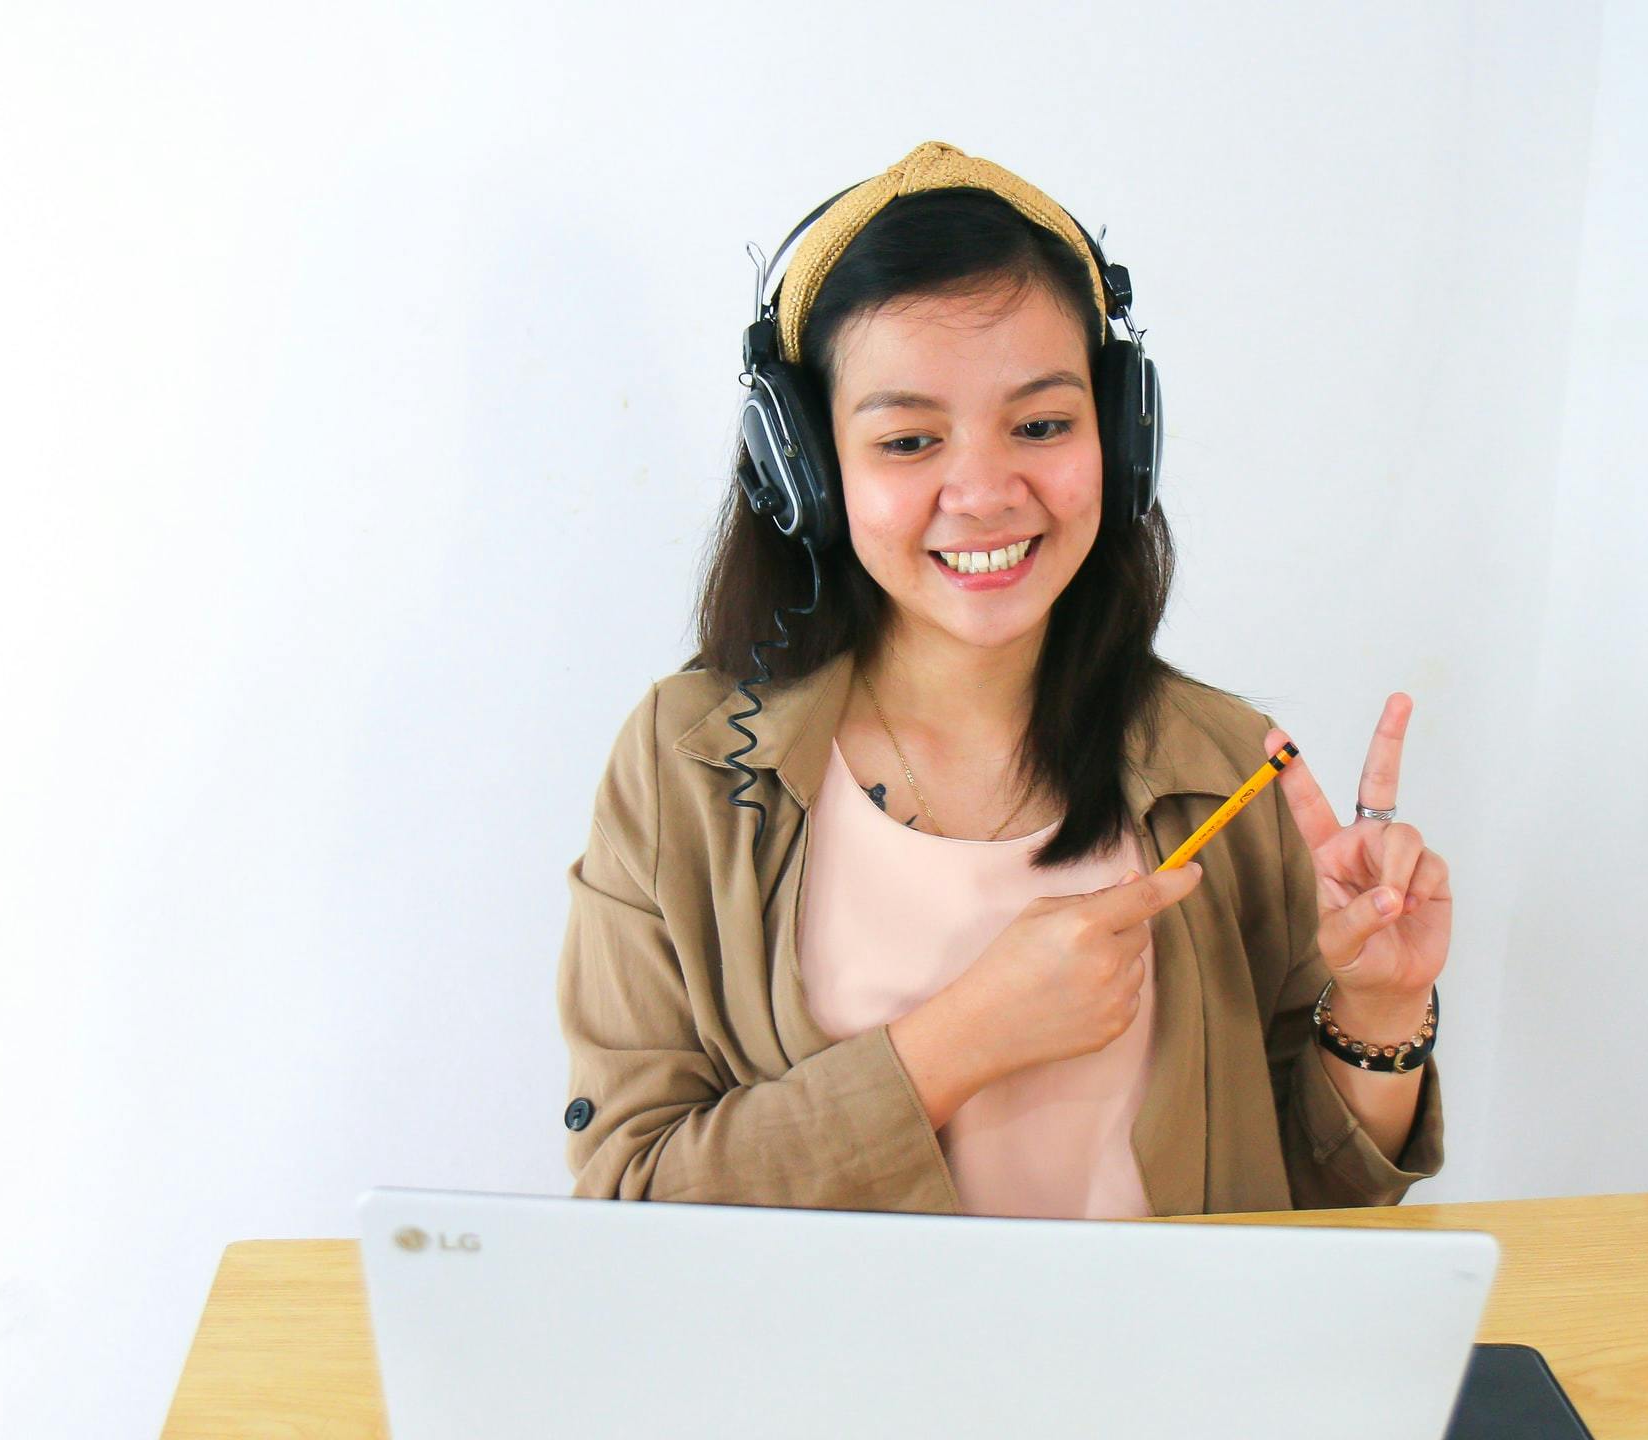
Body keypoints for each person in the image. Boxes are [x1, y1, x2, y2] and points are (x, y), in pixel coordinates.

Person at [556, 141, 1451, 1218]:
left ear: (1121, 437)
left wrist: (1382, 1007)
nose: (982, 491)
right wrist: (957, 1043)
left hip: (1155, 1377)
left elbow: (1315, 1207)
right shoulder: (683, 770)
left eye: (1040, 425)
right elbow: (628, 1197)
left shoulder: (1230, 768)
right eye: (909, 440)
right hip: (824, 1381)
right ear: (808, 469)